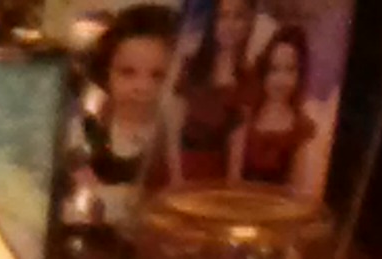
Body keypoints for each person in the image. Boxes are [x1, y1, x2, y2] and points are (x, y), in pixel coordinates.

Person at [83, 6, 177, 197]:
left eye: (158, 76)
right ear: (106, 72)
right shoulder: (87, 132)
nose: (142, 87)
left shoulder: (178, 138)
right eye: (127, 72)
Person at [170, 0, 260, 186]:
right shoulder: (191, 66)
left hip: (215, 174)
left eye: (238, 17)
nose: (229, 25)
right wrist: (176, 178)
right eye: (223, 16)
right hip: (180, 167)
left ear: (249, 22)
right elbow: (173, 130)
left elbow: (238, 143)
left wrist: (233, 185)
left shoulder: (248, 79)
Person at [228, 28, 322, 195]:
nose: (281, 80)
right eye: (274, 69)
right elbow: (232, 184)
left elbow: (298, 194)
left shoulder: (301, 130)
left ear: (300, 74)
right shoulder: (245, 120)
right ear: (264, 72)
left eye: (290, 70)